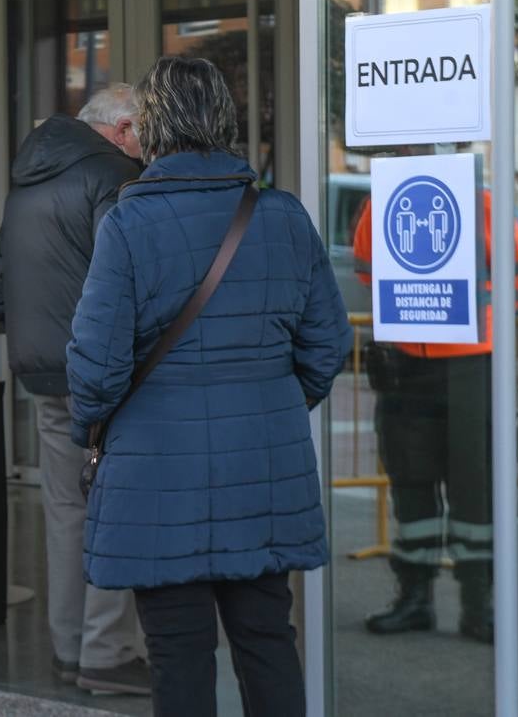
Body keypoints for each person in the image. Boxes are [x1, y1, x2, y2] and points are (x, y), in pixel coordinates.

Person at [67, 57, 351, 716]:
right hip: (263, 462)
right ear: (224, 119)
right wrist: (271, 404)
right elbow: (329, 346)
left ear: (154, 126)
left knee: (179, 654)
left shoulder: (129, 225)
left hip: (154, 476)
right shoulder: (282, 217)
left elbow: (96, 369)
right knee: (267, 641)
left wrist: (95, 428)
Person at [0, 84, 149, 695]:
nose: (146, 148)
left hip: (42, 371)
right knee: (114, 508)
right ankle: (107, 654)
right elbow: (126, 277)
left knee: (66, 511)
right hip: (103, 372)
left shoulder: (28, 179)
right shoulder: (113, 176)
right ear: (122, 128)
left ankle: (69, 646)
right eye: (143, 133)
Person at [354, 184, 518, 643]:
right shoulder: (475, 202)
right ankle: (440, 603)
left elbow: (368, 273)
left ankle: (470, 604)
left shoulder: (392, 201)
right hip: (433, 360)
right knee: (419, 490)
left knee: (469, 492)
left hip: (459, 362)